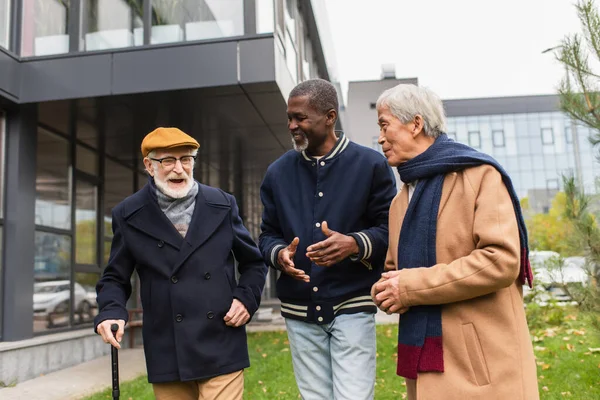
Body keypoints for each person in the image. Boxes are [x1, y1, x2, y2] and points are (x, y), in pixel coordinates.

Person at [371, 84, 538, 400]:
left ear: (416, 124)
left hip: (483, 364)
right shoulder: (400, 202)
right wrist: (386, 291)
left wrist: (409, 287)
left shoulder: (481, 176)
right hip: (428, 362)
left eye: (384, 125)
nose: (380, 138)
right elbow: (396, 272)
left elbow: (500, 261)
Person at [94, 127, 267, 400]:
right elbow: (115, 277)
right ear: (149, 166)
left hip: (221, 337)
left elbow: (254, 263)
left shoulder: (222, 204)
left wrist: (246, 298)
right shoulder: (128, 214)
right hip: (167, 344)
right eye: (168, 161)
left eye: (186, 159)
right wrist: (111, 311)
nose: (179, 169)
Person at [259, 78, 397, 400]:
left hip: (353, 304)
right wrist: (279, 254)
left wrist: (354, 243)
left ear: (330, 116)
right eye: (289, 118)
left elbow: (390, 229)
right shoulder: (277, 173)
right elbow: (267, 234)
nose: (292, 125)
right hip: (299, 310)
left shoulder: (371, 165)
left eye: (301, 118)